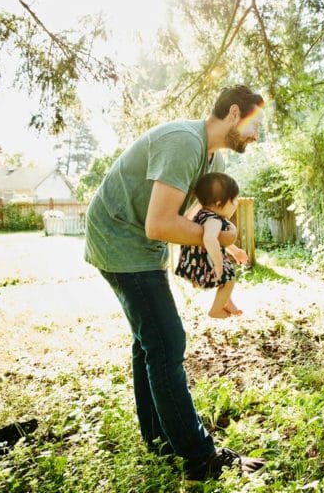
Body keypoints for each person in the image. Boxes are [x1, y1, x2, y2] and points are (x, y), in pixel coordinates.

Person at [84, 85, 266, 480]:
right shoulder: (185, 143)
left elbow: (199, 213)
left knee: (150, 342)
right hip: (119, 238)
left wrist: (226, 245)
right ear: (233, 113)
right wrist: (222, 237)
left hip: (137, 242)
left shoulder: (210, 153)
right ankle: (200, 457)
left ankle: (160, 440)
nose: (256, 136)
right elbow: (160, 223)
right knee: (166, 342)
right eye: (254, 125)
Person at [175, 172, 244, 319]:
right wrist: (218, 264)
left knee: (225, 279)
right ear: (219, 203)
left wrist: (235, 251)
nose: (236, 203)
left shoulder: (201, 215)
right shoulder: (214, 220)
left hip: (194, 263)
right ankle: (216, 310)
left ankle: (227, 302)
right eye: (234, 199)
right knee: (229, 279)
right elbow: (210, 239)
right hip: (204, 266)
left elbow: (218, 240)